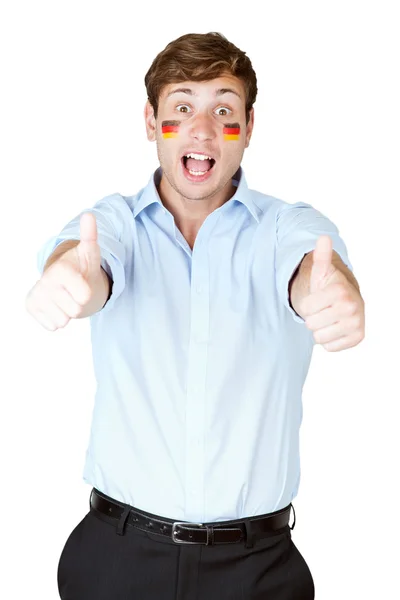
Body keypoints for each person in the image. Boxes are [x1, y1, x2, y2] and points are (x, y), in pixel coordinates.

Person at [26, 31, 365, 600]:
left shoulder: (288, 227)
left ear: (249, 127)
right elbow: (89, 264)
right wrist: (71, 279)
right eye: (181, 107)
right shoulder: (115, 224)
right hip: (116, 559)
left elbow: (312, 272)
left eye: (224, 110)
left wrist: (326, 295)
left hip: (258, 572)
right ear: (151, 121)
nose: (202, 129)